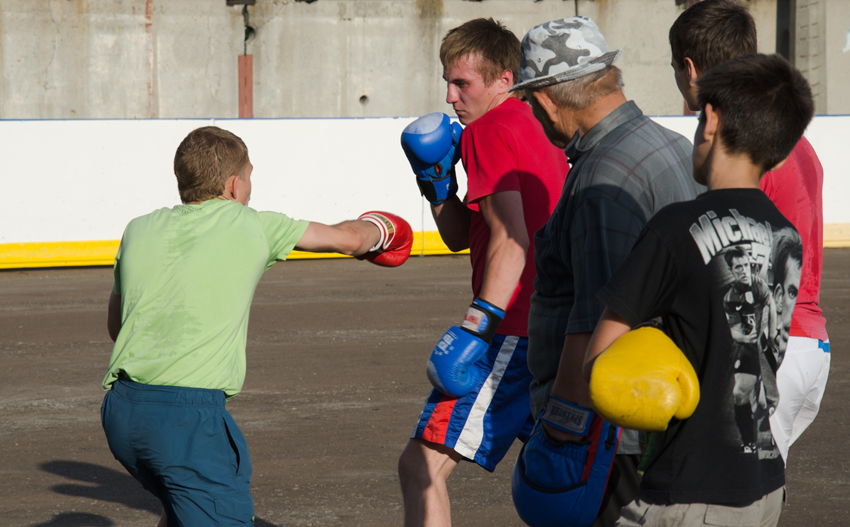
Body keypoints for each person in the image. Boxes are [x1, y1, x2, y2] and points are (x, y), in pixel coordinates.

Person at [100, 125, 413, 527]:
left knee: (180, 507)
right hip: (187, 421)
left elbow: (117, 325)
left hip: (122, 411)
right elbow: (349, 238)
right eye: (249, 177)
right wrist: (385, 227)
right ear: (234, 185)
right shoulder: (253, 224)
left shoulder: (138, 228)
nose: (250, 187)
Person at [583, 52, 813, 527]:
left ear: (709, 119)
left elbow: (598, 366)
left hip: (688, 491)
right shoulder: (786, 233)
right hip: (764, 482)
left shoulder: (676, 228)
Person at [510, 16, 701, 526]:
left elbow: (594, 318)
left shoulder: (603, 175)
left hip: (613, 437)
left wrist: (564, 434)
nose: (533, 114)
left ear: (548, 99)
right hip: (664, 412)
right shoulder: (673, 147)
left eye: (530, 102)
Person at [396, 17, 569, 527]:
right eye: (447, 82)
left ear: (504, 79)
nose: (450, 96)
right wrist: (437, 183)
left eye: (462, 84)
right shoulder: (541, 125)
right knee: (566, 469)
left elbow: (510, 238)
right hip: (557, 325)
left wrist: (476, 327)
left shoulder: (489, 131)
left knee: (420, 467)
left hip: (511, 330)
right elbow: (462, 236)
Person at [668, 0, 830, 466]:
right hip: (808, 342)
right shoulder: (794, 141)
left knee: (729, 497)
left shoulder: (741, 147)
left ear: (692, 69)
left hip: (769, 349)